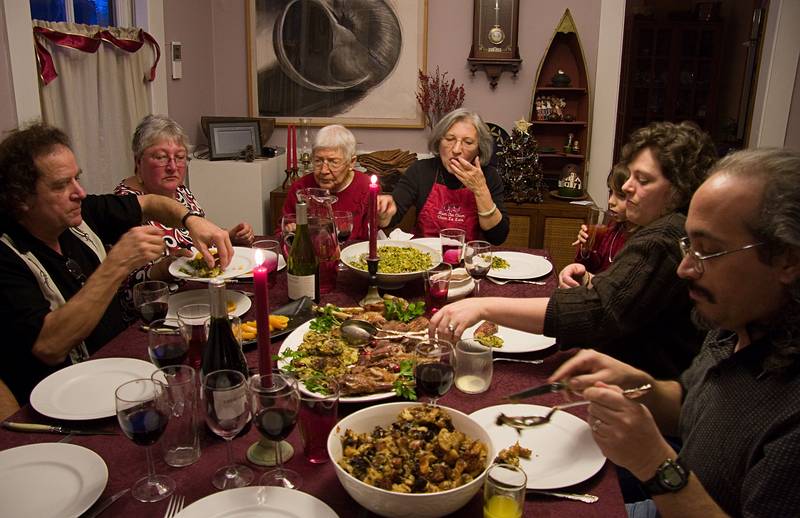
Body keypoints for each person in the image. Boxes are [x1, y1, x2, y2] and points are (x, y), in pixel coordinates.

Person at [549, 148, 800, 517]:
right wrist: (637, 384)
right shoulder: (732, 324)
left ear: (787, 260)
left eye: (709, 252)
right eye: (688, 246)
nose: (684, 269)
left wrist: (654, 461)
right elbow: (691, 408)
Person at [432, 121, 718, 378]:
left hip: (645, 388)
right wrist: (595, 281)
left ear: (679, 189)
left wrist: (484, 307)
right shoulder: (662, 227)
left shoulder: (663, 236)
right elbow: (630, 299)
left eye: (642, 180)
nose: (627, 187)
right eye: (629, 176)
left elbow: (597, 314)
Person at [0, 122, 232, 404]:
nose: (80, 192)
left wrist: (191, 220)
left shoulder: (82, 213)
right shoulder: (8, 255)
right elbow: (50, 345)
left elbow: (149, 204)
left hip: (123, 364)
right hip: (70, 399)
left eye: (77, 178)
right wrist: (116, 264)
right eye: (62, 185)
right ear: (21, 198)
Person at [115, 114, 253, 280]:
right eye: (161, 157)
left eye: (180, 157)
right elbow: (122, 287)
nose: (173, 167)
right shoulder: (124, 206)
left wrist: (228, 237)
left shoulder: (181, 191)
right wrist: (163, 269)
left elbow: (197, 244)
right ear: (138, 161)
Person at [376, 108, 510, 245]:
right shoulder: (421, 170)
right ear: (438, 142)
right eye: (450, 139)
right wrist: (383, 212)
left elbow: (498, 237)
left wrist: (480, 190)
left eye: (468, 142)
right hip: (424, 258)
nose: (456, 150)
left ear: (479, 149)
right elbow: (390, 218)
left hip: (468, 261)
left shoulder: (489, 176)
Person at [281, 124, 372, 239]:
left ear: (351, 162)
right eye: (318, 161)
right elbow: (281, 231)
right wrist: (290, 231)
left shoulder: (366, 186)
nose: (324, 171)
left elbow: (372, 236)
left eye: (333, 162)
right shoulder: (301, 187)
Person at [560, 162, 638, 287]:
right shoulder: (614, 227)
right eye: (611, 192)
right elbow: (591, 269)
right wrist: (586, 249)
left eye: (621, 195)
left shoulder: (640, 240)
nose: (611, 201)